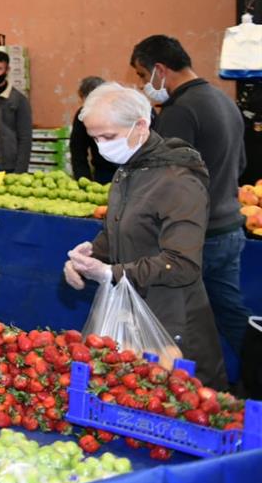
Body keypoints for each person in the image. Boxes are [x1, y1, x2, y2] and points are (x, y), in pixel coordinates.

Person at [63, 82, 227, 389]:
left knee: (179, 404)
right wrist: (88, 259)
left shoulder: (178, 181)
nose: (101, 146)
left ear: (140, 125)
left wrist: (111, 272)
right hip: (134, 314)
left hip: (172, 320)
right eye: (95, 138)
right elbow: (118, 231)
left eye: (108, 136)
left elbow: (182, 263)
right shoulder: (130, 171)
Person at [131, 34, 252, 364]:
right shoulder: (224, 101)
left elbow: (167, 181)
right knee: (230, 312)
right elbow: (240, 165)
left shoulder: (180, 111)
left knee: (178, 323)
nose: (144, 85)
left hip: (194, 238)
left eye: (143, 76)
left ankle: (188, 391)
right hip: (229, 228)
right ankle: (254, 379)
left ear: (160, 70)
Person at [69, 76, 116, 183]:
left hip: (129, 169)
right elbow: (78, 151)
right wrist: (84, 180)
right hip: (102, 172)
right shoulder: (82, 116)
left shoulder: (123, 111)